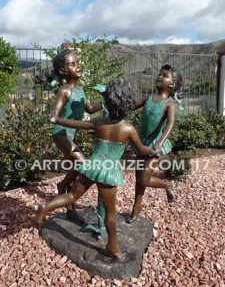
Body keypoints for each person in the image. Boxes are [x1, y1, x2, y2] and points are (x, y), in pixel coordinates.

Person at [33, 80, 157, 259]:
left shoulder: (99, 122)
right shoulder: (128, 129)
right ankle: (113, 247)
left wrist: (57, 119)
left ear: (106, 104)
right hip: (108, 172)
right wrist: (152, 151)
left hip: (91, 167)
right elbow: (140, 150)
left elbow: (75, 125)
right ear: (128, 105)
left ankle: (45, 207)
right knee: (110, 215)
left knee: (72, 196)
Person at [50, 49, 102, 221]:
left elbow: (90, 109)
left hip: (71, 134)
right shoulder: (64, 91)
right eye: (73, 64)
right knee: (82, 163)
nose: (78, 66)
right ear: (64, 71)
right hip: (61, 134)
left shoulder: (80, 90)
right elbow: (55, 114)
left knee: (76, 165)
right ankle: (67, 191)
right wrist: (53, 117)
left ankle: (64, 191)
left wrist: (106, 100)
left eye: (78, 63)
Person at [128, 64, 183, 223]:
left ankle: (167, 185)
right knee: (139, 180)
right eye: (159, 74)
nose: (159, 76)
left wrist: (160, 142)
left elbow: (170, 124)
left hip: (154, 147)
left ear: (172, 84)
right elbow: (130, 106)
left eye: (164, 75)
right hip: (141, 144)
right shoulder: (148, 98)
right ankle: (136, 208)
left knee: (145, 179)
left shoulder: (169, 104)